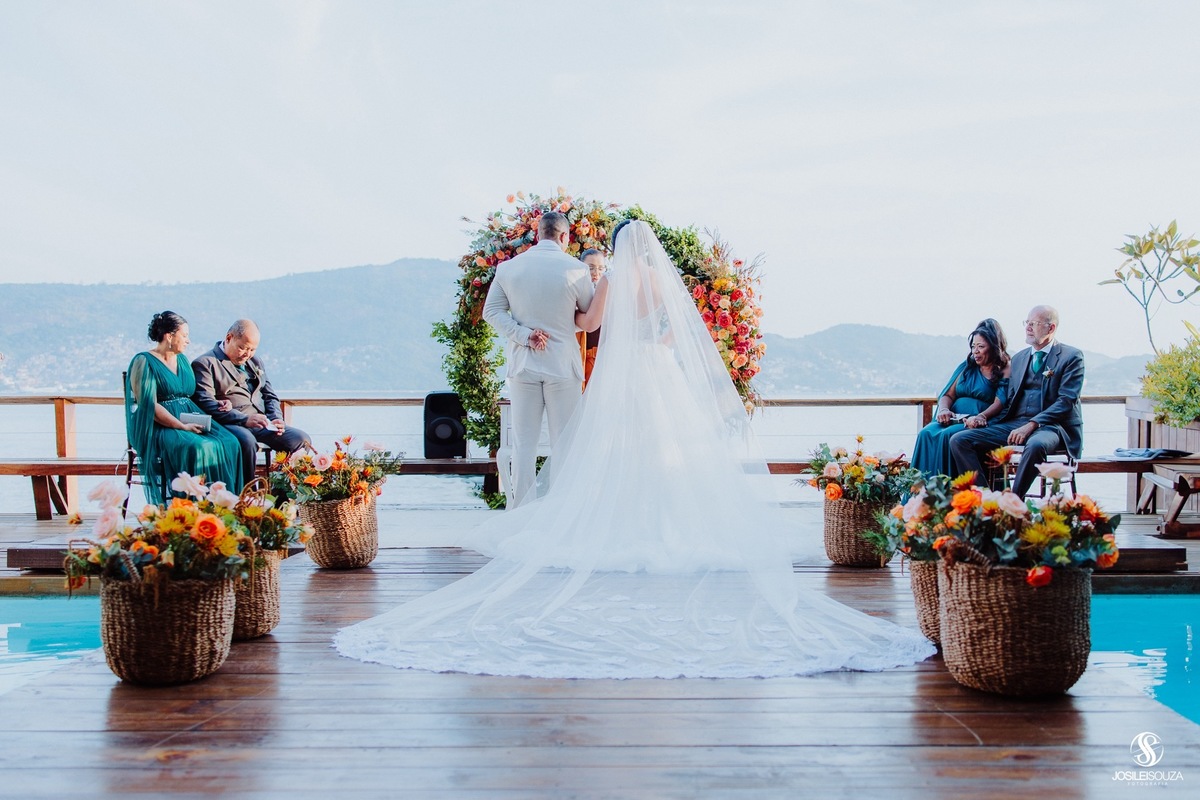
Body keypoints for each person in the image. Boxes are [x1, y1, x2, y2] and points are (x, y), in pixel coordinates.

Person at [334, 221, 934, 680]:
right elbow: (670, 328)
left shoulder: (601, 277)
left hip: (603, 373)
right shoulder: (651, 281)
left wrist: (581, 304)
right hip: (659, 371)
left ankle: (563, 515)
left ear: (617, 249)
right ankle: (674, 521)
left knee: (588, 447)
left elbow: (593, 325)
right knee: (668, 449)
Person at [482, 211, 595, 507]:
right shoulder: (577, 270)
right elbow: (586, 316)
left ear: (537, 234)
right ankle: (561, 511)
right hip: (563, 366)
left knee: (523, 445)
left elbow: (491, 312)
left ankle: (520, 513)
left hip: (524, 364)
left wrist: (524, 334)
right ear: (564, 237)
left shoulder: (509, 268)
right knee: (564, 444)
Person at [950, 305, 1085, 498]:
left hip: (1052, 427)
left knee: (1036, 445)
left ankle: (1014, 501)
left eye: (1034, 324)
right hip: (1015, 423)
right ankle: (987, 499)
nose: (1028, 328)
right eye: (1027, 323)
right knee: (960, 440)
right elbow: (1008, 399)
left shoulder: (1071, 357)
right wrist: (982, 418)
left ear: (1051, 328)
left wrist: (1031, 425)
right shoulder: (1020, 358)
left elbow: (1066, 401)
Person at [126, 311, 244, 506]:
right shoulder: (143, 361)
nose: (188, 341)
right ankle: (194, 507)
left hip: (189, 417)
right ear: (169, 336)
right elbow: (150, 405)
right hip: (158, 426)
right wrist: (181, 426)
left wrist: (219, 402)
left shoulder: (182, 360)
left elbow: (193, 394)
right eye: (185, 335)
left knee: (231, 441)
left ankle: (227, 505)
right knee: (198, 447)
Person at [192, 319, 311, 482]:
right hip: (231, 424)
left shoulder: (255, 361)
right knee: (247, 441)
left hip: (262, 423)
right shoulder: (205, 363)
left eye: (252, 349)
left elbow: (270, 395)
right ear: (229, 338)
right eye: (242, 347)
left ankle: (280, 498)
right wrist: (245, 419)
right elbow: (206, 403)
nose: (247, 354)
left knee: (300, 439)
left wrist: (276, 418)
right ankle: (247, 496)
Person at [911, 319, 1010, 478]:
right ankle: (920, 493)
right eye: (973, 346)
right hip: (953, 417)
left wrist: (981, 416)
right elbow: (948, 395)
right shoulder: (966, 366)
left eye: (981, 346)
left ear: (993, 347)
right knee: (925, 433)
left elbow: (1000, 401)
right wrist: (944, 410)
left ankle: (947, 493)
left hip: (980, 420)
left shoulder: (1005, 367)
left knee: (947, 436)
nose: (975, 351)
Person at [576, 248, 606, 387]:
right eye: (591, 268)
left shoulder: (607, 291)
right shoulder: (574, 291)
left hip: (602, 355)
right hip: (578, 352)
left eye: (600, 268)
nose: (596, 273)